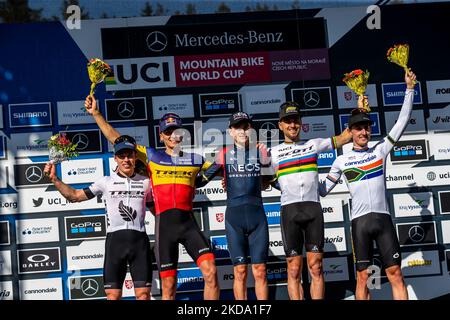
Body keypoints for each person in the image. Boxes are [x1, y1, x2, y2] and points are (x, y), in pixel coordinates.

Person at [84, 96, 219, 300]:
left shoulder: (196, 160)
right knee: (169, 286)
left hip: (189, 224)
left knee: (211, 272)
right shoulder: (151, 156)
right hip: (165, 226)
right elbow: (117, 140)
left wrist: (243, 156)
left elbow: (226, 168)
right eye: (168, 132)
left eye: (176, 131)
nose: (173, 136)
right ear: (161, 135)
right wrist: (96, 114)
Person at [319, 70, 416, 300]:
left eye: (367, 127)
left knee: (395, 273)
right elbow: (322, 190)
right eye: (359, 128)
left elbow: (401, 122)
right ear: (351, 132)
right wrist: (281, 183)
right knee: (362, 277)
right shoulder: (341, 160)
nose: (364, 132)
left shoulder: (380, 150)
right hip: (359, 223)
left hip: (383, 219)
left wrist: (410, 90)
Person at [44, 137, 153, 300]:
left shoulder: (146, 182)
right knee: (112, 295)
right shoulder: (105, 182)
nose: (126, 160)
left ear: (135, 157)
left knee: (143, 295)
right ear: (115, 158)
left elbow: (160, 205)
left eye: (129, 155)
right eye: (121, 156)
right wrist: (54, 179)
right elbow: (75, 196)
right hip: (115, 242)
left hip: (140, 242)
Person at [268, 102, 352, 300]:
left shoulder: (313, 144)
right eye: (288, 121)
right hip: (290, 211)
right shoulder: (272, 153)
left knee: (316, 267)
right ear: (280, 125)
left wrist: (360, 110)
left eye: (295, 120)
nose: (292, 125)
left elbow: (344, 138)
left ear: (301, 123)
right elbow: (263, 179)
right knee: (294, 269)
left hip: (313, 209)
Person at [197, 111, 274, 300]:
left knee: (260, 270)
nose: (243, 130)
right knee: (239, 271)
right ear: (231, 131)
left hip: (258, 216)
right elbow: (201, 180)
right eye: (238, 127)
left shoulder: (261, 152)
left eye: (246, 126)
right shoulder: (223, 153)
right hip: (234, 218)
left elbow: (270, 181)